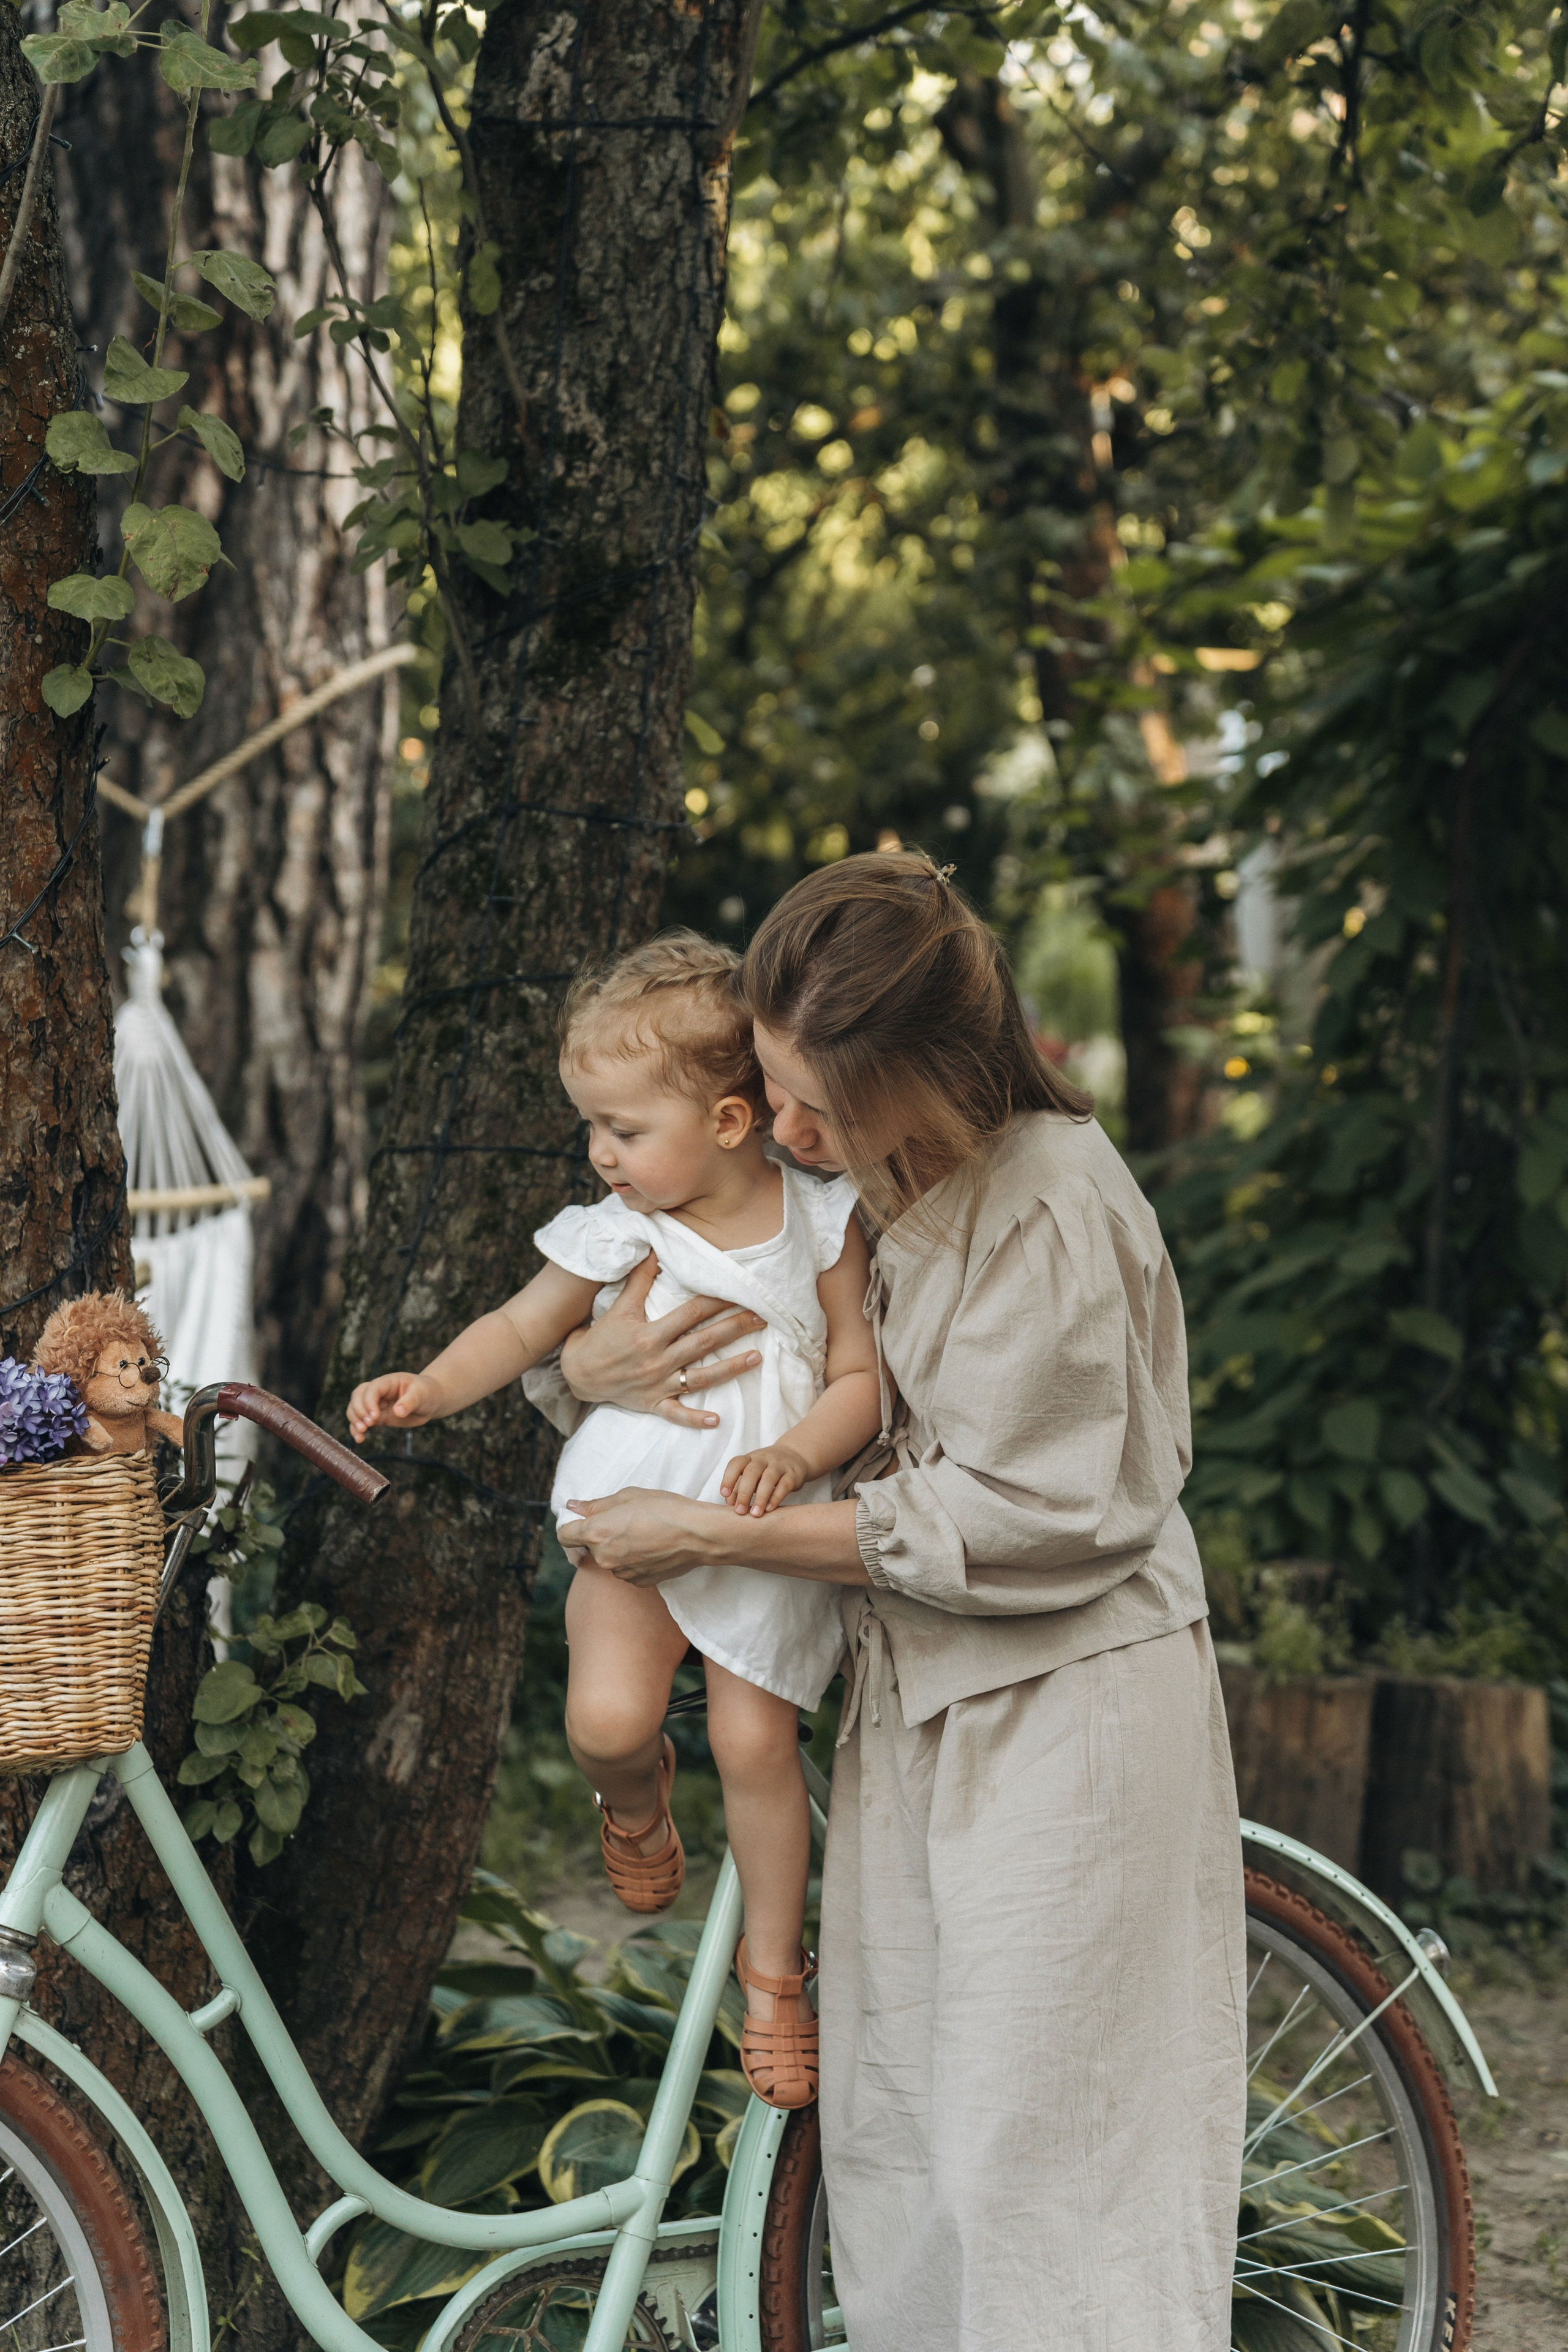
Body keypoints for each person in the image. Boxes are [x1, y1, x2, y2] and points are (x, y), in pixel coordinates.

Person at [540, 853, 1248, 2352]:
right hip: (913, 1699)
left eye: (816, 1105)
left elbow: (1025, 1515)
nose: (787, 1134)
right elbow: (725, 1376)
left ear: (921, 1071)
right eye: (778, 1097)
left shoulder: (1045, 1204)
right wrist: (582, 1374)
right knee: (901, 2141)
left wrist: (710, 1541)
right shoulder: (869, 1176)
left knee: (1032, 2161)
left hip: (1063, 1707)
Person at [347, 933, 883, 2111]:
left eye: (624, 1131)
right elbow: (522, 1326)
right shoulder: (621, 1228)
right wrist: (431, 1387)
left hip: (765, 1527)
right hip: (622, 1529)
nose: (601, 1154)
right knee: (601, 1722)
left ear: (734, 1120)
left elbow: (861, 1378)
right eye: (592, 1127)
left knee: (757, 1749)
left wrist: (796, 1453)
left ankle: (774, 1977)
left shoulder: (821, 1225)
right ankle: (636, 1806)